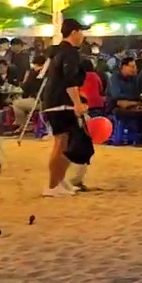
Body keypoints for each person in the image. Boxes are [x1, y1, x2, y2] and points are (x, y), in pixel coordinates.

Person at [41, 18, 91, 197]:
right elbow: (70, 80)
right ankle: (53, 185)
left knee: (64, 142)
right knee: (62, 143)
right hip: (61, 103)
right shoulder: (69, 53)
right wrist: (77, 103)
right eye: (81, 31)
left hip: (54, 101)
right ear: (74, 32)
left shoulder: (57, 51)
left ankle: (59, 180)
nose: (83, 36)